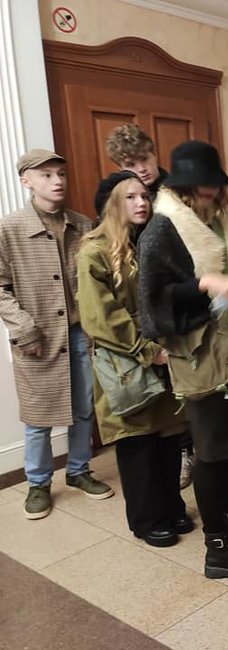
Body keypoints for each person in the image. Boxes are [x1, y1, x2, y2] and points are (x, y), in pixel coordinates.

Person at [137, 140, 228, 579]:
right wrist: (205, 285)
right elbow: (152, 306)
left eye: (217, 186)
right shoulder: (162, 229)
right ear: (185, 189)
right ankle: (217, 547)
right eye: (207, 188)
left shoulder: (216, 221)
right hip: (200, 357)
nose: (217, 194)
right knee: (212, 452)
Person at [77, 171, 193, 547]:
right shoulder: (93, 252)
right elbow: (101, 317)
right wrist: (147, 349)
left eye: (144, 195)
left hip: (162, 356)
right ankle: (147, 519)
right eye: (130, 197)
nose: (142, 202)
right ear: (111, 204)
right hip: (125, 364)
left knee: (168, 438)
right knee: (138, 442)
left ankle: (172, 507)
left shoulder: (147, 243)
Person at [0, 149, 114, 520]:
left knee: (83, 408)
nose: (57, 181)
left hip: (81, 333)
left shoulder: (81, 224)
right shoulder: (8, 229)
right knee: (38, 417)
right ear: (26, 181)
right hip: (37, 338)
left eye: (61, 173)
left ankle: (79, 470)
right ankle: (38, 483)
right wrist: (24, 328)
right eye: (46, 175)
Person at [105, 123, 195, 489]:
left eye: (144, 158)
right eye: (130, 163)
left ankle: (191, 449)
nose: (140, 167)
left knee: (186, 379)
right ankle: (178, 451)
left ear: (155, 153)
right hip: (144, 304)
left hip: (182, 296)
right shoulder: (121, 196)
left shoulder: (178, 190)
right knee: (162, 385)